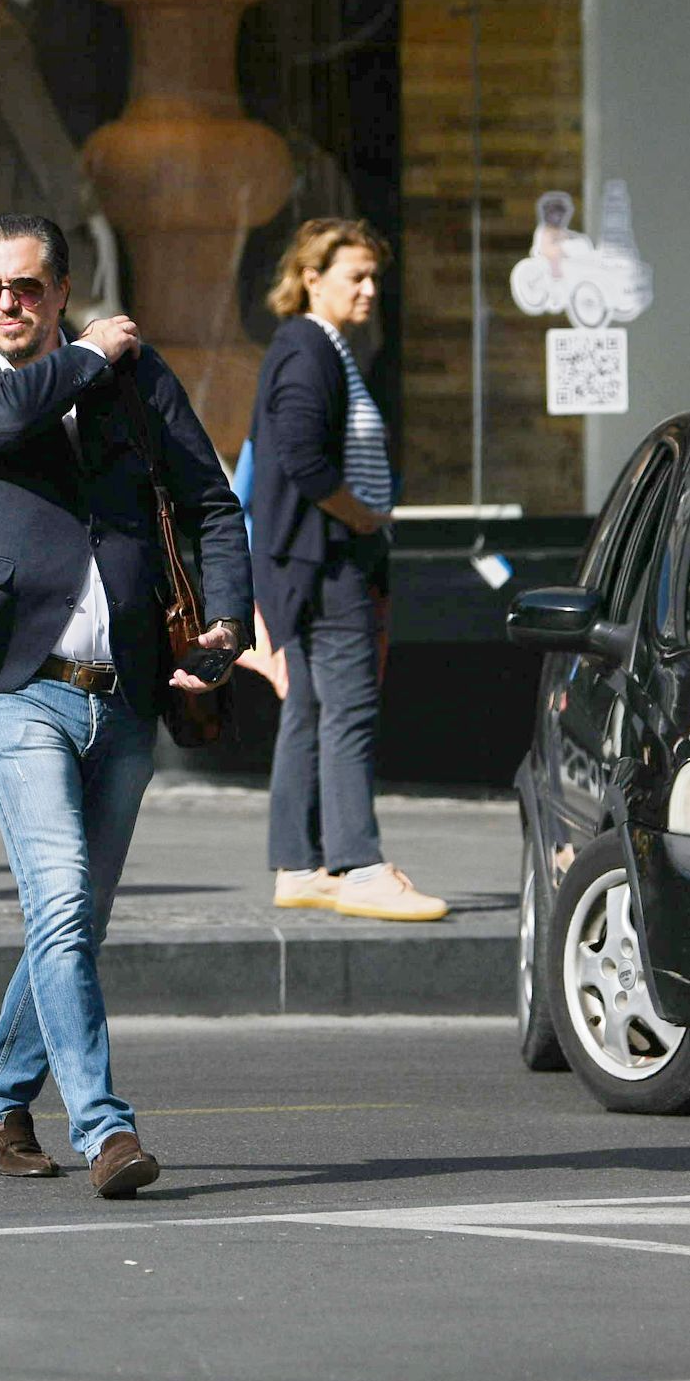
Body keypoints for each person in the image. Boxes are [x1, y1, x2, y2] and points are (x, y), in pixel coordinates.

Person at [0, 211, 247, 1200]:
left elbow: (212, 504)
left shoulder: (139, 383)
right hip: (15, 690)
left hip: (125, 693)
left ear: (60, 289)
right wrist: (91, 352)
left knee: (77, 921)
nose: (7, 304)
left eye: (27, 288)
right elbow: (13, 419)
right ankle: (105, 1127)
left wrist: (226, 619)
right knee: (57, 905)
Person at [248, 218, 447, 924]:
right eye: (354, 276)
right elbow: (302, 458)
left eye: (373, 277)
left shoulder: (316, 348)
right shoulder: (309, 349)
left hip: (303, 560)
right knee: (350, 709)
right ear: (310, 277)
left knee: (308, 708)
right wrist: (361, 515)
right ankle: (360, 865)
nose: (369, 289)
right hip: (327, 561)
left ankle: (299, 865)